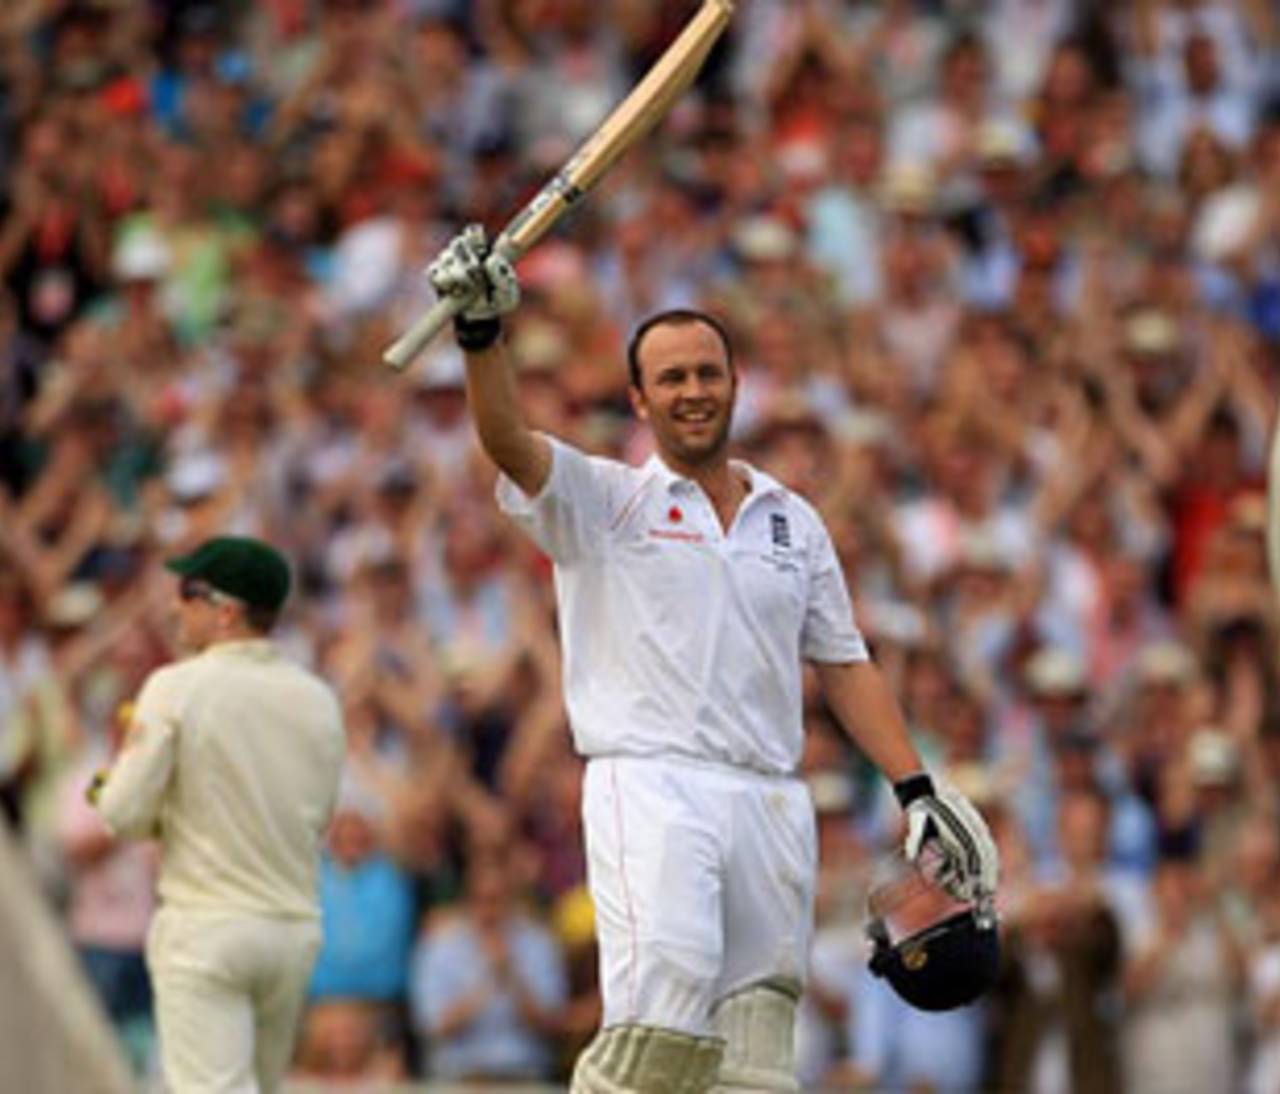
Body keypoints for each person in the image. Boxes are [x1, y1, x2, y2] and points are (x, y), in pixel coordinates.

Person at [422, 226, 999, 1091]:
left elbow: (844, 663)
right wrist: (481, 336)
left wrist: (916, 787)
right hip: (651, 782)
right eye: (672, 378)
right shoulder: (608, 499)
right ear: (640, 400)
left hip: (770, 794)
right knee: (661, 1016)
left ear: (735, 384)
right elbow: (508, 439)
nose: (693, 391)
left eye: (708, 373)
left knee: (758, 1053)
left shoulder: (790, 518)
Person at [89, 535, 346, 1093]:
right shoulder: (319, 699)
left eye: (189, 593)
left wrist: (106, 782)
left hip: (208, 927)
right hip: (292, 930)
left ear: (226, 611)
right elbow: (320, 817)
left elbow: (123, 813)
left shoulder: (175, 687)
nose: (174, 606)